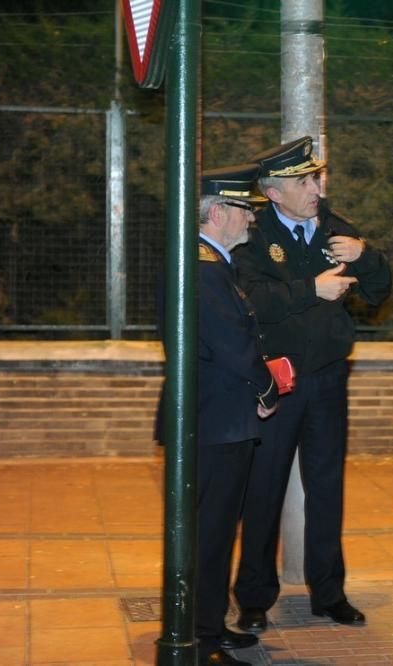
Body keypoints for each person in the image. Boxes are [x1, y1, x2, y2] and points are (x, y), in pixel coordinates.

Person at [230, 136, 392, 631]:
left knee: (327, 487)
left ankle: (329, 592)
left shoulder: (336, 229)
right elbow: (252, 298)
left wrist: (364, 256)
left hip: (326, 381)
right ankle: (255, 595)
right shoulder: (254, 237)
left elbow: (381, 290)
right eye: (303, 181)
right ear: (274, 193)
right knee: (265, 487)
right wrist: (311, 290)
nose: (314, 188)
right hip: (278, 382)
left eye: (316, 178)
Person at [155, 165, 279, 666]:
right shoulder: (203, 268)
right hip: (213, 422)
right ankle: (198, 638)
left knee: (216, 530)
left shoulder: (209, 263)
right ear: (218, 213)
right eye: (244, 209)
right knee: (207, 533)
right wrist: (268, 387)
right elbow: (232, 345)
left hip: (215, 418)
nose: (251, 218)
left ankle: (208, 624)